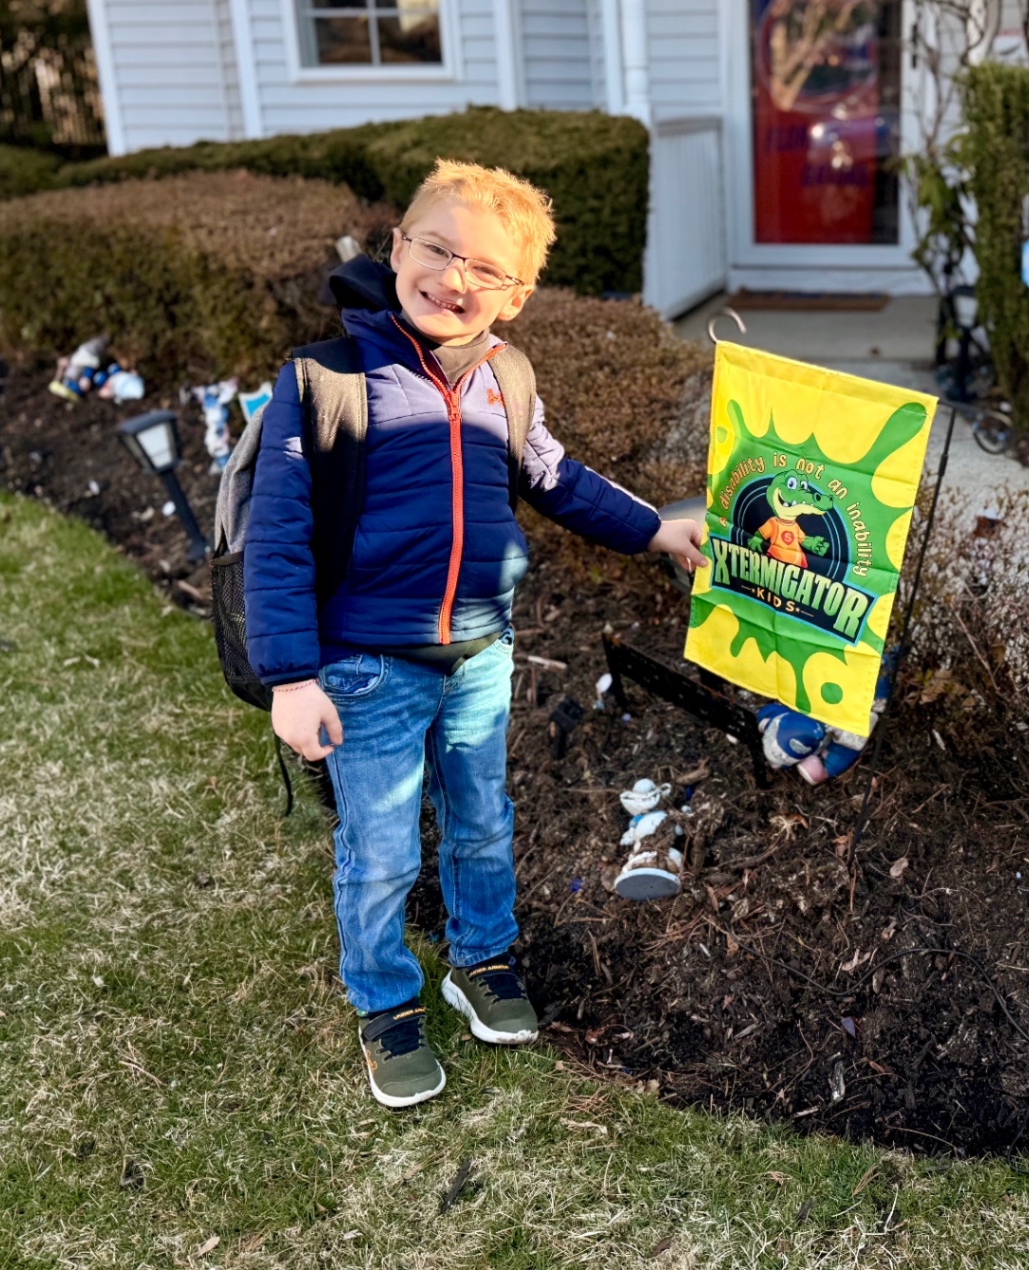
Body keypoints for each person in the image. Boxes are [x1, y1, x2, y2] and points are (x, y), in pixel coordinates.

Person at [244, 160, 705, 1107]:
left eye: (485, 268)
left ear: (519, 296)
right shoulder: (326, 379)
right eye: (438, 249)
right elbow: (278, 535)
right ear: (397, 249)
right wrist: (292, 677)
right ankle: (384, 1003)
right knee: (380, 849)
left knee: (482, 823)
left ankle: (481, 961)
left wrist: (655, 528)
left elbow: (560, 480)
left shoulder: (507, 380)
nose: (455, 277)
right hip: (366, 666)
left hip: (480, 655)